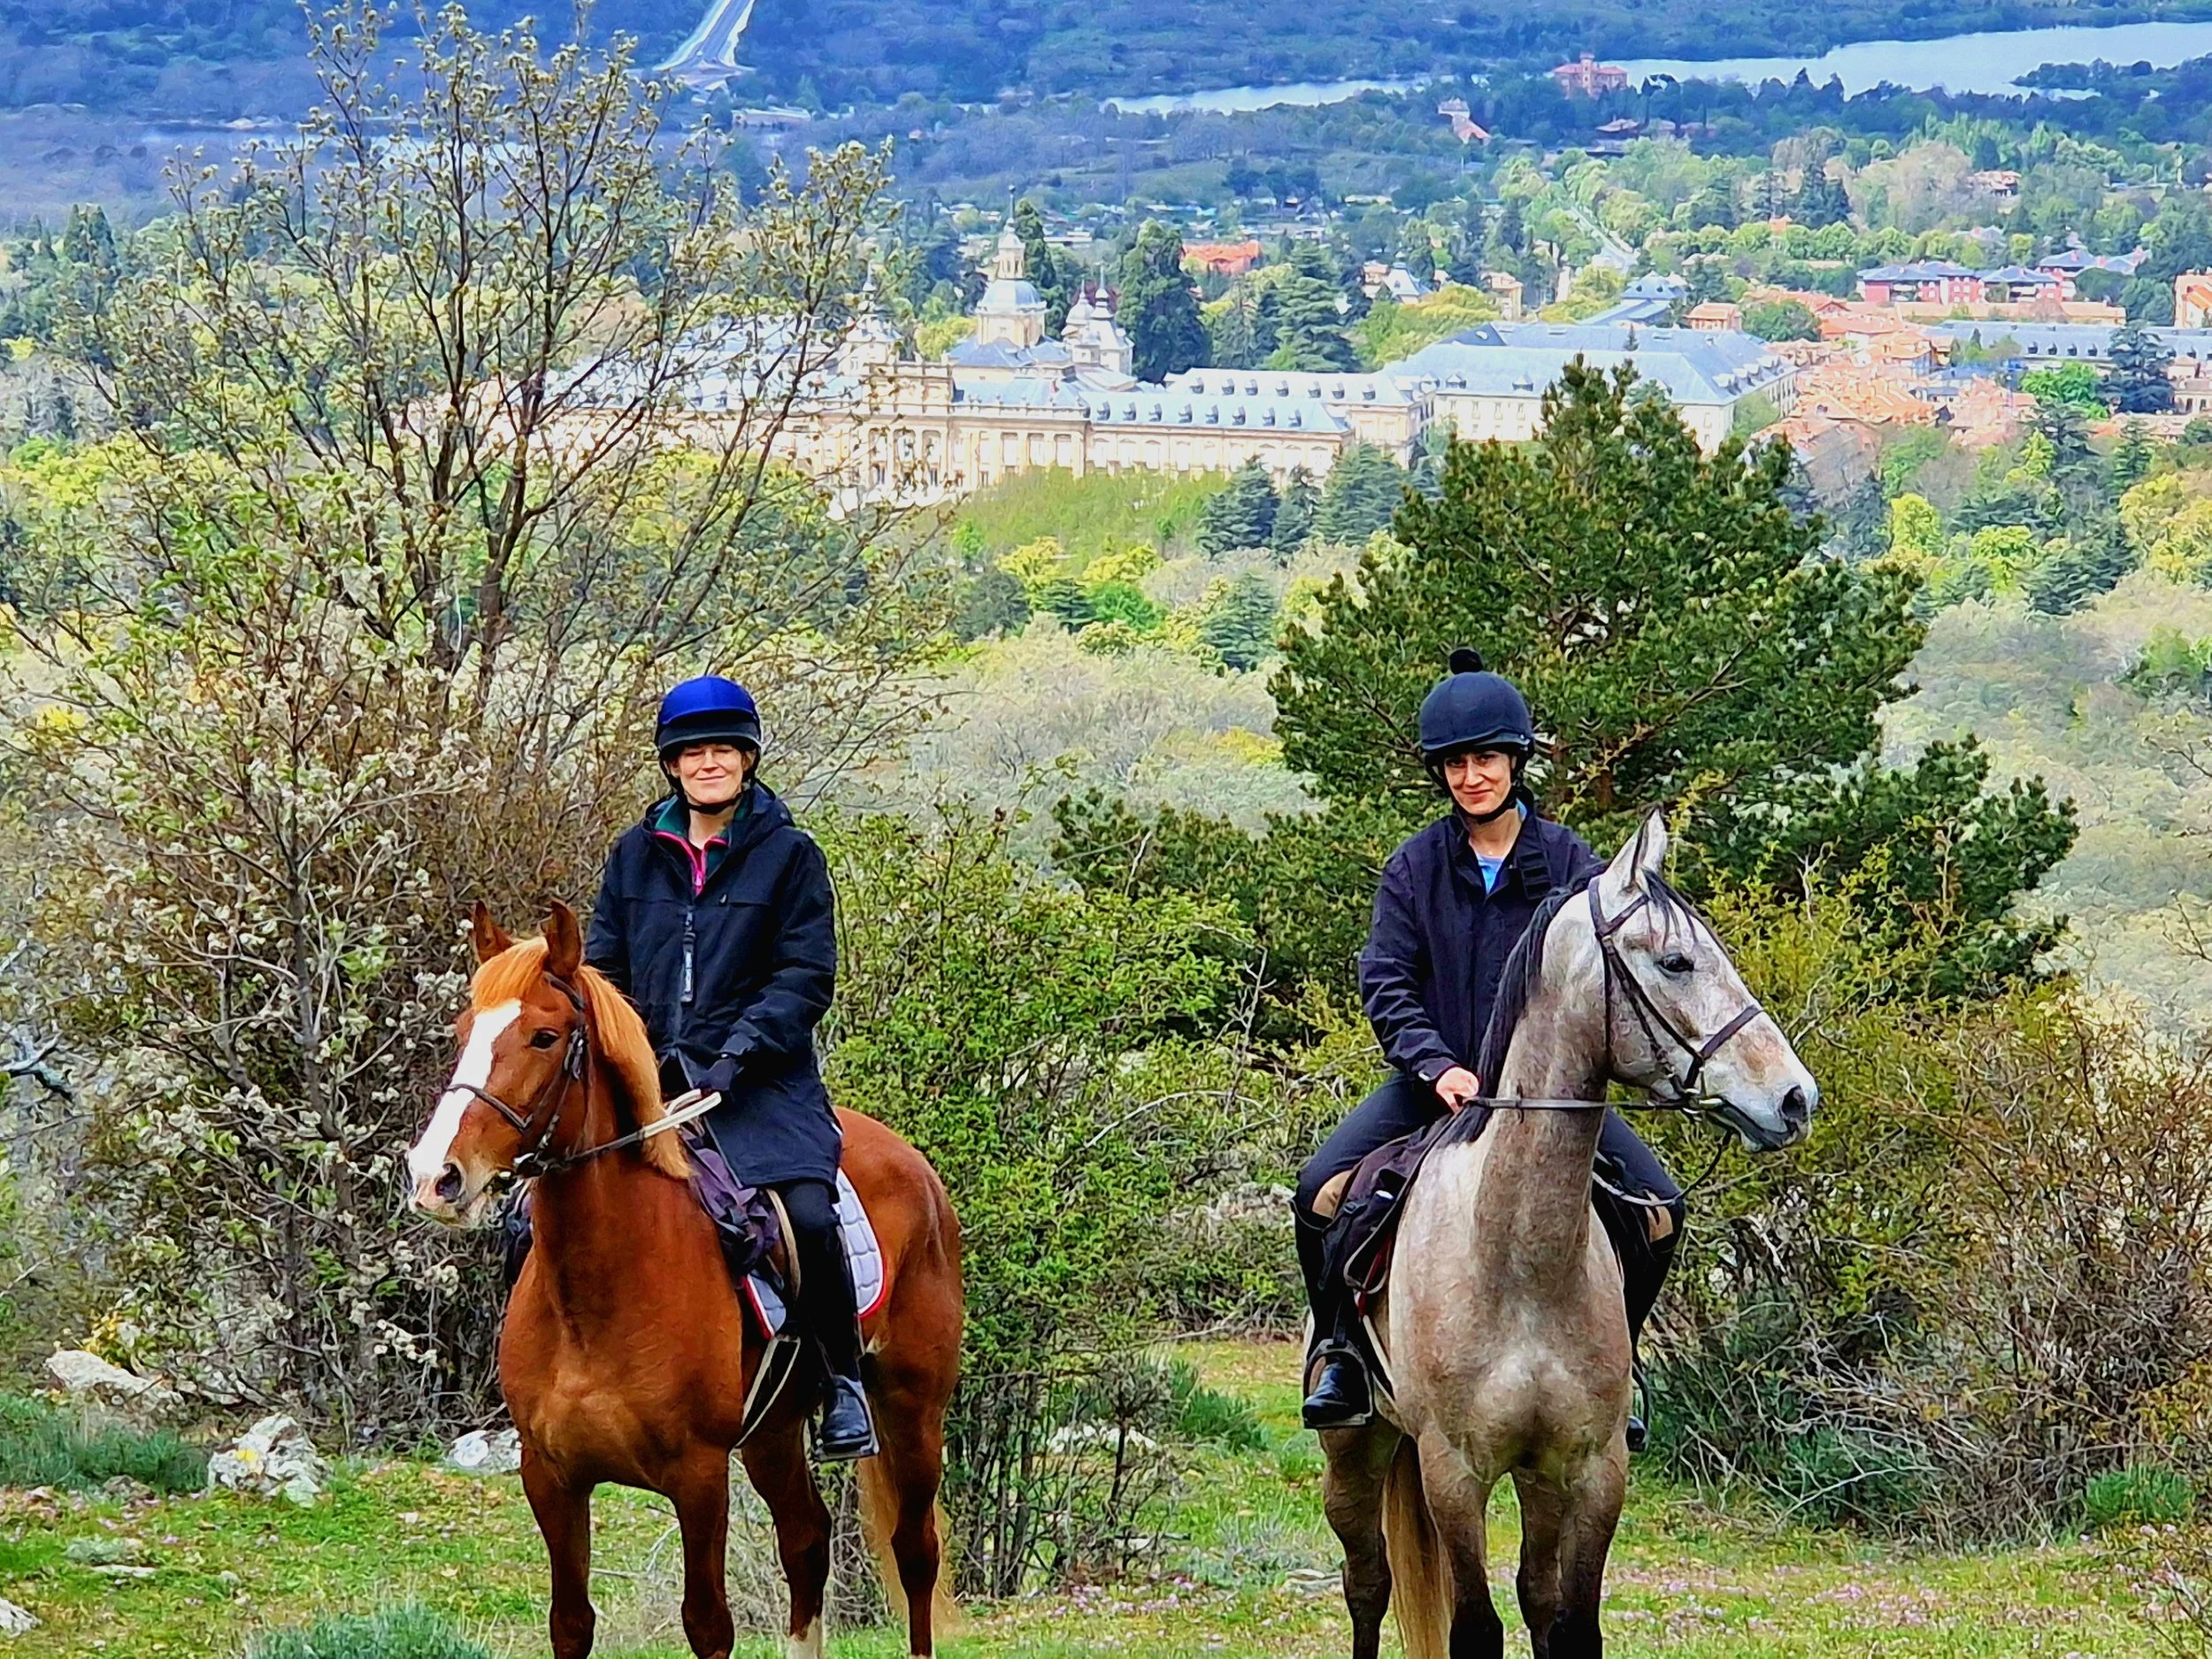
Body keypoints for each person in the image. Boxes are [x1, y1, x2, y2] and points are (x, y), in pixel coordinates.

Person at [1292, 649, 1686, 1439]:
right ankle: (1342, 1353)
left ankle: (1621, 1364)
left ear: (1514, 761)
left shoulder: (1572, 865)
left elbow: (1602, 979)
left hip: (1548, 1094)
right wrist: (1435, 1064)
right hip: (1432, 1086)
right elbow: (1387, 980)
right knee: (1318, 1190)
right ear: (1442, 773)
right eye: (1457, 764)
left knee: (1661, 1209)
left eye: (1486, 759)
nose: (1472, 776)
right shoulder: (1414, 868)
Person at [585, 674, 877, 1462]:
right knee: (541, 1201)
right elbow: (602, 969)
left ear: (746, 759)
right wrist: (630, 1060)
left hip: (761, 1082)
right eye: (692, 751)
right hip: (655, 1077)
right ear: (672, 765)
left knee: (808, 1215)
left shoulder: (790, 856)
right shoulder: (633, 855)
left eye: (721, 749)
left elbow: (804, 976)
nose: (707, 762)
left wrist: (733, 1059)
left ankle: (841, 1380)